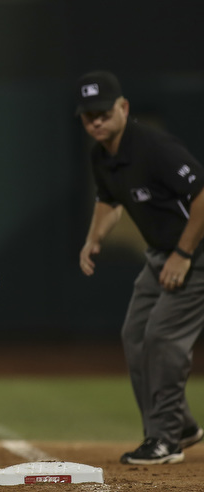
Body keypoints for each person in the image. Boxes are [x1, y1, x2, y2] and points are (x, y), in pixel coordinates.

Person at [76, 70, 204, 464]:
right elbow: (108, 200)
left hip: (195, 253)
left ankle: (164, 439)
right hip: (161, 255)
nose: (96, 121)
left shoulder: (154, 146)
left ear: (123, 108)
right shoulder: (101, 155)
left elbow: (202, 196)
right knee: (135, 335)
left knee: (163, 337)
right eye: (89, 115)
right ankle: (181, 426)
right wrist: (94, 238)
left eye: (103, 112)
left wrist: (183, 255)